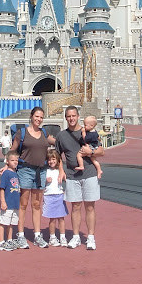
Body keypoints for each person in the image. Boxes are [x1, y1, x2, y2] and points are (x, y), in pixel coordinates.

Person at [55, 106, 104, 250]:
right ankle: (76, 237)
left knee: (89, 207)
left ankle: (90, 237)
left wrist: (91, 150)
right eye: (69, 116)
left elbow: (101, 151)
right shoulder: (61, 136)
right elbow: (58, 155)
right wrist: (61, 170)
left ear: (78, 116)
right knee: (75, 207)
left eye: (74, 116)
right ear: (65, 118)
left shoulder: (88, 131)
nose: (71, 118)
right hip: (72, 175)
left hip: (89, 173)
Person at [5, 106, 55, 249]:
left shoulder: (44, 133)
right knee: (23, 204)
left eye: (41, 117)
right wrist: (6, 165)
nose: (38, 119)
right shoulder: (22, 133)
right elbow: (12, 151)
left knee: (37, 205)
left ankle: (37, 235)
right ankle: (20, 235)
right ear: (31, 117)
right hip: (25, 170)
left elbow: (58, 142)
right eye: (36, 116)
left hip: (41, 171)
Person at [43, 150, 68, 247]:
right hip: (49, 196)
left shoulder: (60, 171)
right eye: (49, 160)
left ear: (58, 160)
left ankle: (62, 237)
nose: (51, 161)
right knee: (52, 219)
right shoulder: (45, 171)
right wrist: (46, 180)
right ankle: (52, 237)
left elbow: (66, 179)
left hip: (59, 196)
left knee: (61, 218)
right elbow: (40, 182)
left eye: (53, 159)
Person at [0, 152, 21, 251]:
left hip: (15, 204)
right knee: (3, 222)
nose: (15, 162)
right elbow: (2, 188)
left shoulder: (15, 174)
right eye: (12, 160)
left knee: (11, 223)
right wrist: (3, 201)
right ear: (7, 161)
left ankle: (9, 239)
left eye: (16, 160)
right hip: (7, 203)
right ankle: (1, 242)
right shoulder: (6, 174)